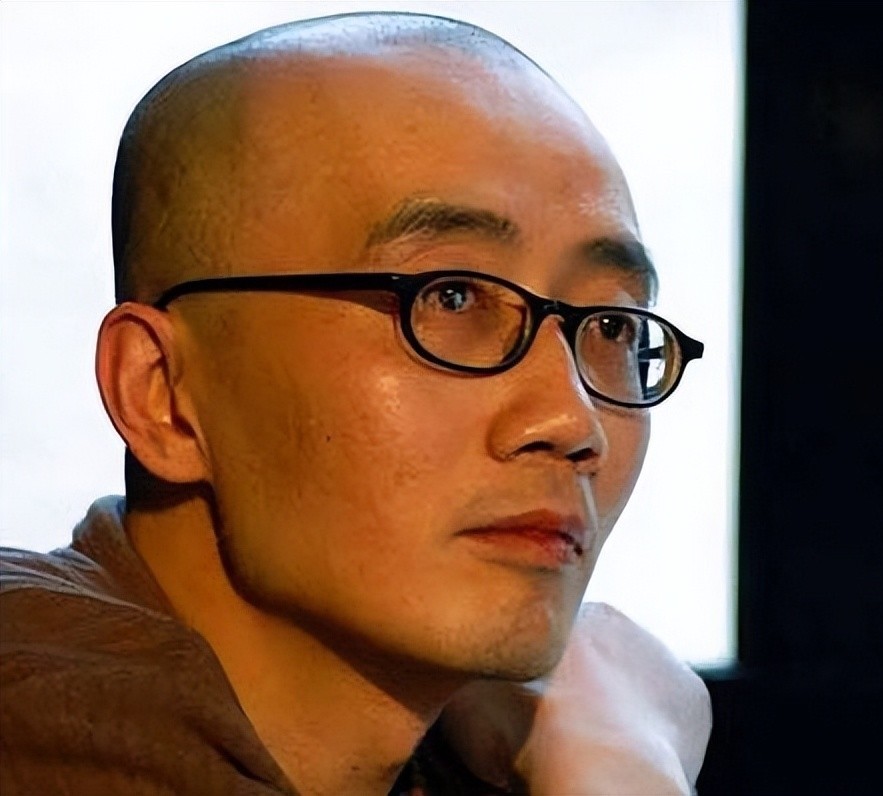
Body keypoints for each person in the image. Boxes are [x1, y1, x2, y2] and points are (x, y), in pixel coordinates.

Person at [0, 11, 711, 796]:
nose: (571, 423)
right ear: (160, 393)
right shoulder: (35, 715)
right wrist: (622, 763)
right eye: (450, 297)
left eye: (612, 326)